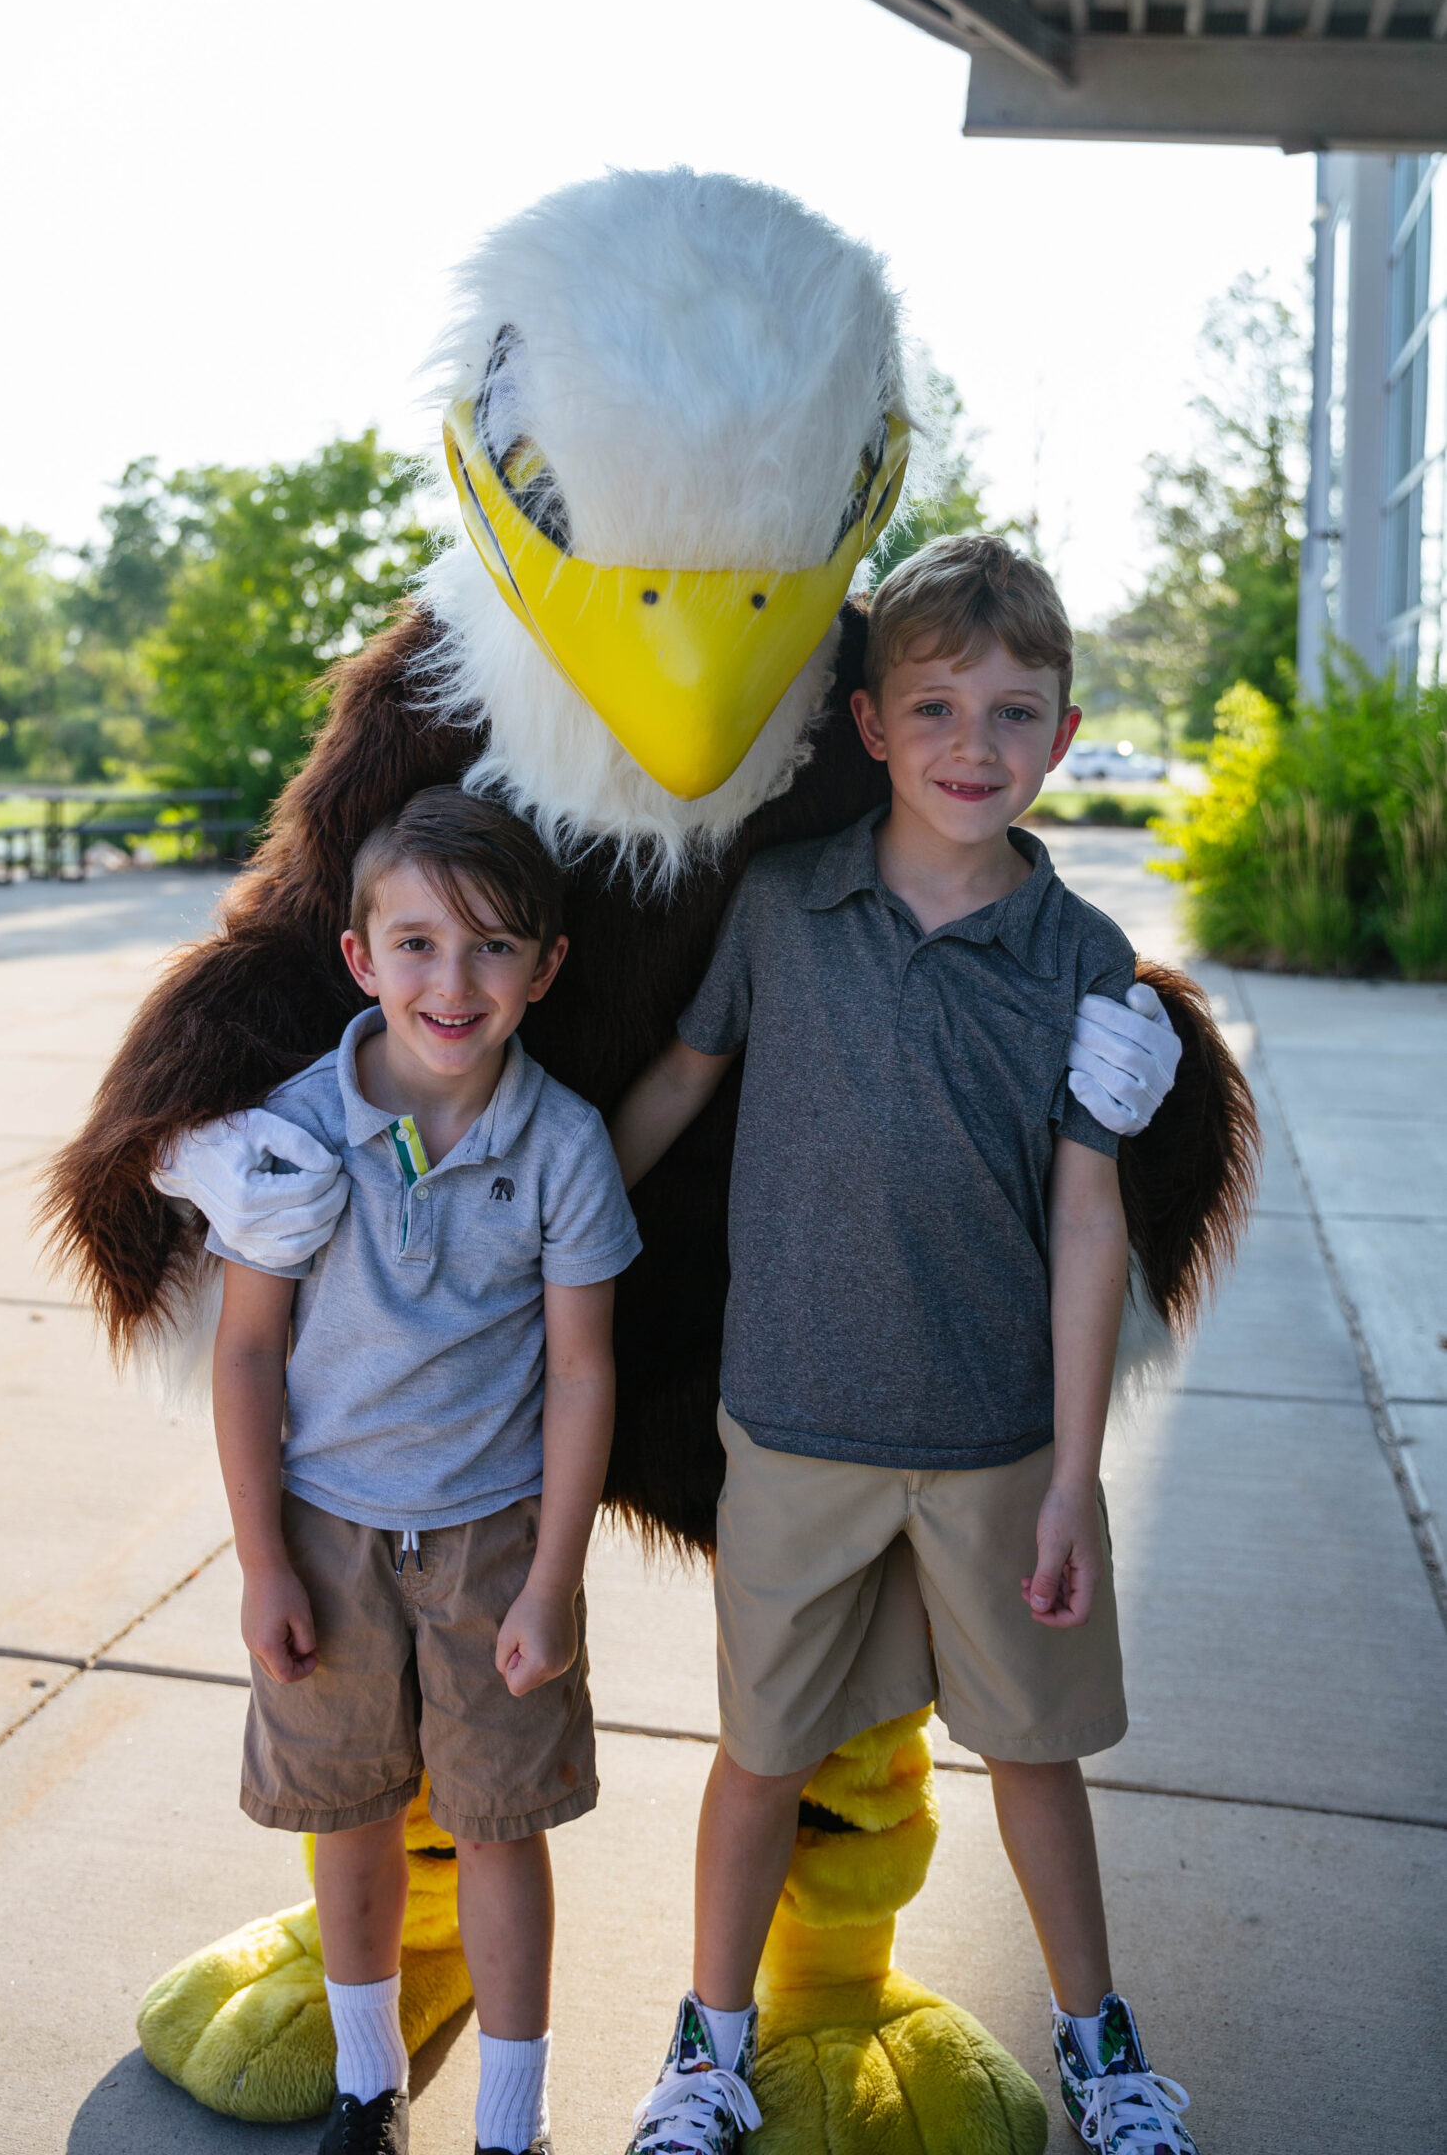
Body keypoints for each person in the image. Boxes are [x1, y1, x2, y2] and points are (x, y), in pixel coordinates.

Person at [609, 536, 1200, 2155]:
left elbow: (1090, 1220)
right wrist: (553, 1225)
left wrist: (1077, 1473)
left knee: (1034, 1755)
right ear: (871, 724)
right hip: (791, 1425)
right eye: (934, 706)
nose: (972, 745)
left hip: (999, 1436)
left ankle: (1099, 2045)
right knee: (760, 1757)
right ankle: (708, 2051)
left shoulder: (1081, 962)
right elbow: (677, 1085)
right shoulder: (789, 908)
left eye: (1016, 713)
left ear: (1064, 736)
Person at [207, 786, 638, 2155]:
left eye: (494, 948)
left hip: (493, 1544)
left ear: (546, 968)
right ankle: (365, 2087)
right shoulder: (291, 1130)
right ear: (360, 957)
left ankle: (513, 2125)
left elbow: (582, 1371)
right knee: (349, 1819)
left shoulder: (563, 1144)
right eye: (416, 946)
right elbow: (245, 1357)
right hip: (328, 1537)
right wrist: (264, 1559)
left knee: (502, 1826)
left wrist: (554, 1580)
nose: (452, 984)